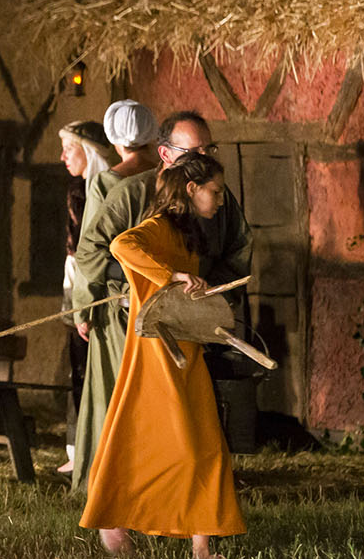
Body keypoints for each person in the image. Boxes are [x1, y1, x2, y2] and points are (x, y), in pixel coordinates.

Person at [70, 109, 250, 491]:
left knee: (191, 418)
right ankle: (120, 499)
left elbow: (238, 250)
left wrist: (206, 294)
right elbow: (93, 252)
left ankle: (186, 499)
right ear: (166, 155)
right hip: (133, 326)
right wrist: (145, 282)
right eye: (194, 152)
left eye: (209, 149)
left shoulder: (217, 199)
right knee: (137, 415)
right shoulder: (132, 195)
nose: (204, 160)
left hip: (190, 324)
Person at [80, 153, 246, 559]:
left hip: (186, 349)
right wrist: (171, 275)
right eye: (216, 191)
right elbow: (121, 244)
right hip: (156, 352)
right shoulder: (159, 226)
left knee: (208, 446)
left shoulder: (190, 231)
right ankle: (113, 522)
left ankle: (202, 548)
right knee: (163, 445)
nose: (221, 201)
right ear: (192, 190)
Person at [56, 120, 116, 474]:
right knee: (78, 367)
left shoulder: (101, 191)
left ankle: (97, 449)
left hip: (97, 288)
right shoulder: (77, 191)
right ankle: (78, 449)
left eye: (70, 148)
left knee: (94, 367)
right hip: (76, 284)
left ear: (90, 152)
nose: (63, 156)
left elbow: (93, 252)